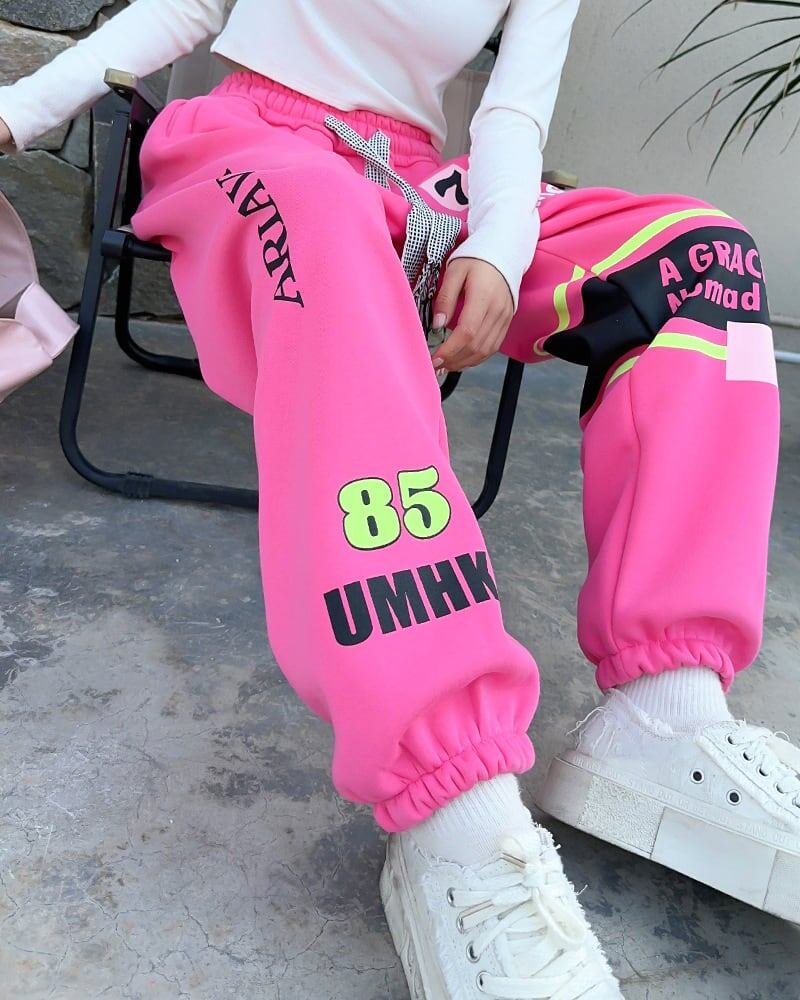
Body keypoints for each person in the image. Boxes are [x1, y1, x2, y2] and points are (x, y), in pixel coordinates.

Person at [0, 1, 795, 997]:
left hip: (417, 180)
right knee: (325, 220)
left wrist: (497, 245)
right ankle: (453, 813)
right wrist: (19, 109)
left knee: (703, 253)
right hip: (251, 143)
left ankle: (666, 711)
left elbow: (512, 117)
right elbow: (186, 6)